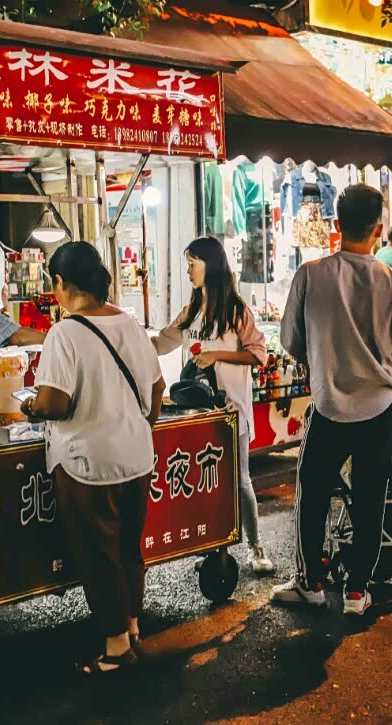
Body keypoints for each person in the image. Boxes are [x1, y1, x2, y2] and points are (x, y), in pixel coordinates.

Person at [272, 184, 392, 617]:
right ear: (377, 229)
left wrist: (321, 353)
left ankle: (311, 583)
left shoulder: (310, 275)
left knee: (313, 493)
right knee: (370, 496)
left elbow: (289, 341)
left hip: (328, 406)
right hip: (379, 409)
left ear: (336, 226)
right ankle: (357, 590)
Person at [21, 242, 164, 673]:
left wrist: (29, 406)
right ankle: (132, 626)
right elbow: (157, 389)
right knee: (127, 548)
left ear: (61, 284)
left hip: (88, 465)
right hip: (137, 456)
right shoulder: (130, 323)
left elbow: (54, 404)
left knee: (98, 552)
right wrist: (140, 426)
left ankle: (117, 648)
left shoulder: (65, 333)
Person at [154, 237, 274, 575]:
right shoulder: (191, 310)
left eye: (194, 262)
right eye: (187, 263)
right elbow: (163, 341)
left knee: (239, 480)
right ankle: (211, 544)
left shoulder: (236, 310)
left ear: (212, 265)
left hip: (230, 414)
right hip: (197, 416)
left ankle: (255, 545)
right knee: (204, 481)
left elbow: (259, 354)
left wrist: (216, 355)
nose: (189, 270)